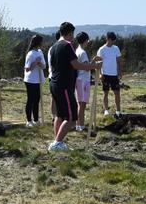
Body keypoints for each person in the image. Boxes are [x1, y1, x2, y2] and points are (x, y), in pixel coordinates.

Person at [48, 22, 100, 151]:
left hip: (54, 83)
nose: (73, 37)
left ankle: (58, 142)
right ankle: (57, 143)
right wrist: (94, 66)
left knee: (60, 115)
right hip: (63, 85)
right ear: (69, 33)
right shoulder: (67, 45)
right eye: (72, 34)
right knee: (71, 118)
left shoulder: (54, 46)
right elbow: (76, 64)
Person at [96, 32, 123, 116]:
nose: (112, 42)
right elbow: (98, 63)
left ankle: (118, 111)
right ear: (107, 39)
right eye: (111, 40)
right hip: (105, 75)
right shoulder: (101, 49)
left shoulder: (116, 48)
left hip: (114, 75)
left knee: (117, 93)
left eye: (113, 40)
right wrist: (100, 74)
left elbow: (119, 61)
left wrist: (120, 72)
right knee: (105, 93)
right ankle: (106, 110)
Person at [23, 35, 45, 127]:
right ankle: (29, 121)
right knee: (31, 100)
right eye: (41, 41)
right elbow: (28, 69)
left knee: (37, 100)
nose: (43, 43)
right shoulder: (30, 54)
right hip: (30, 80)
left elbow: (44, 66)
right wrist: (35, 62)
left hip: (38, 80)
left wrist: (40, 63)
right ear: (38, 42)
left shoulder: (40, 52)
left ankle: (36, 120)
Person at [74, 31, 92, 131]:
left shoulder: (77, 50)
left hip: (79, 79)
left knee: (80, 103)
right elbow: (86, 68)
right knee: (82, 104)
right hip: (83, 80)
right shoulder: (83, 52)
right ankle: (81, 125)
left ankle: (78, 124)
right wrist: (94, 63)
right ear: (85, 41)